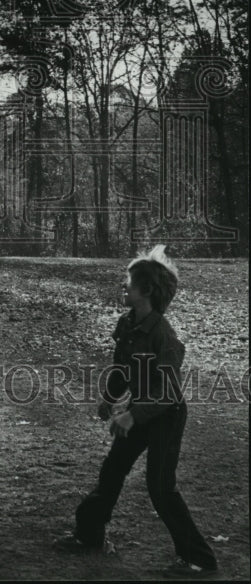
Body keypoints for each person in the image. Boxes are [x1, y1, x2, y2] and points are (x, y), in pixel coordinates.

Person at [54, 245, 218, 579]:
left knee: (161, 487)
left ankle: (199, 559)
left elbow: (169, 392)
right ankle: (89, 535)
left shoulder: (164, 336)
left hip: (166, 416)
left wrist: (132, 415)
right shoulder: (128, 325)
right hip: (139, 411)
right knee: (112, 471)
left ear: (146, 291)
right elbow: (121, 370)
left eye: (129, 283)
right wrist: (109, 399)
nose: (123, 287)